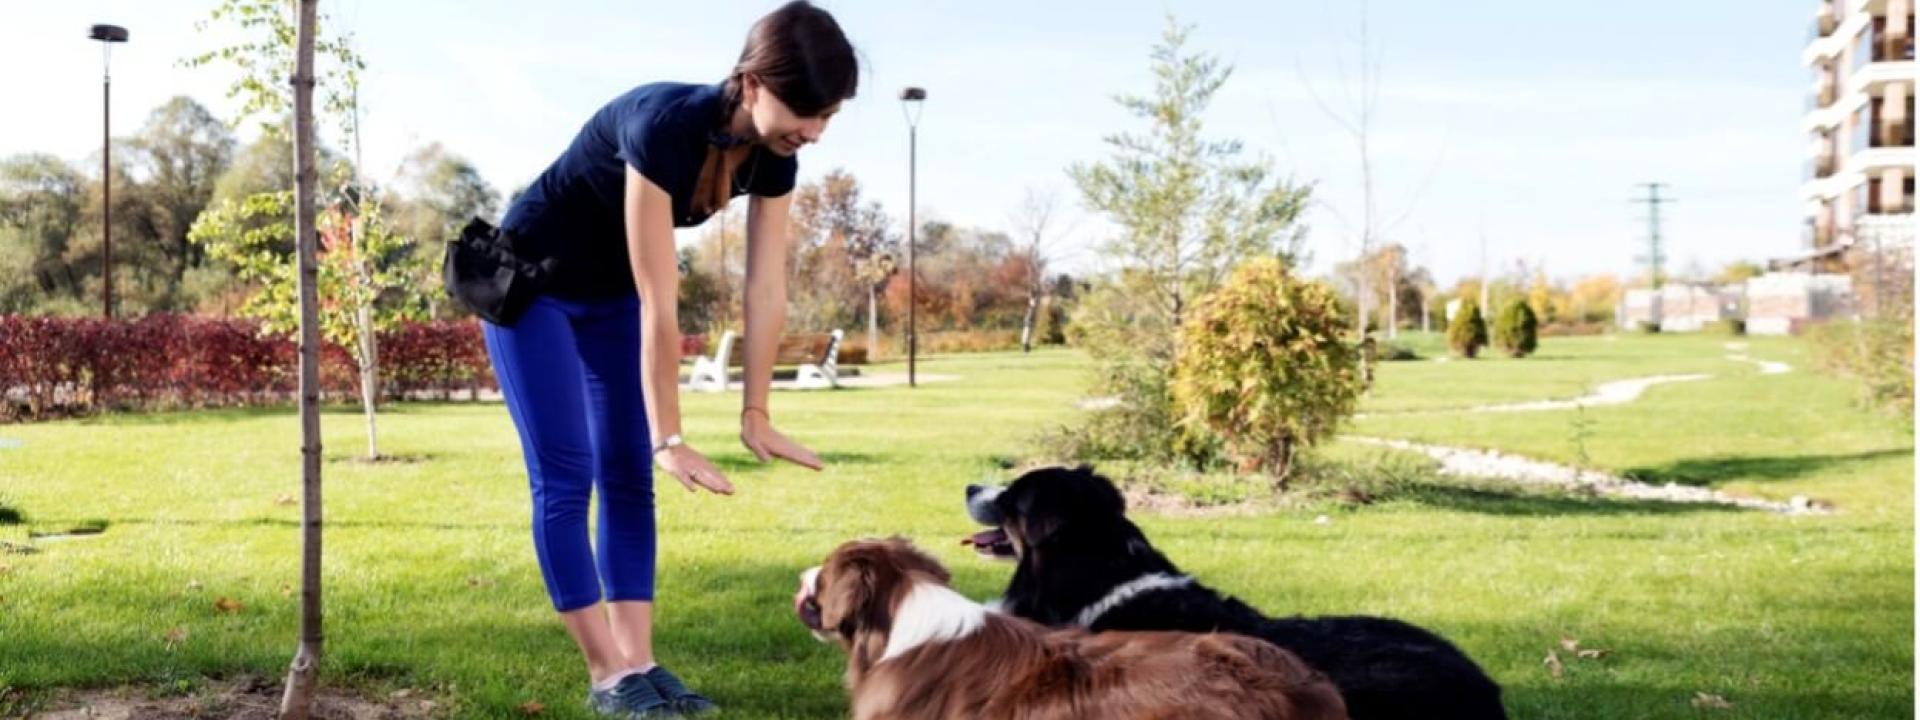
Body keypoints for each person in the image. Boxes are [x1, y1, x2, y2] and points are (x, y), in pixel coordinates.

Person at [482, 2, 853, 715]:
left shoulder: (775, 159)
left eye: (827, 115)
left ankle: (641, 664)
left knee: (628, 479)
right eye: (803, 108)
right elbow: (661, 298)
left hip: (608, 294)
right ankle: (605, 675)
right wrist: (671, 437)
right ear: (751, 83)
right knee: (567, 476)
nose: (813, 129)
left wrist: (757, 411)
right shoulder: (664, 126)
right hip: (533, 287)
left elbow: (765, 284)